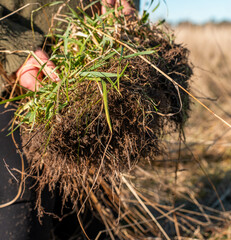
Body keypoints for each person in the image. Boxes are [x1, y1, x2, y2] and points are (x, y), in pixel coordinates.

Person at [0, 1, 138, 239]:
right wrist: (15, 49)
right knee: (24, 219)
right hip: (8, 87)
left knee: (94, 224)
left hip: (88, 76)